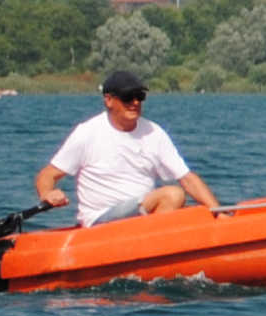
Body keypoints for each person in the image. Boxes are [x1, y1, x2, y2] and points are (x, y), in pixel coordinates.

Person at [36, 69, 223, 225]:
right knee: (173, 195)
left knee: (193, 213)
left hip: (138, 216)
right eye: (127, 97)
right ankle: (149, 252)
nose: (135, 103)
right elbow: (48, 174)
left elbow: (187, 178)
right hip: (100, 221)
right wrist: (48, 193)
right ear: (109, 100)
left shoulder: (154, 132)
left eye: (139, 96)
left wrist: (218, 213)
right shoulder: (88, 132)